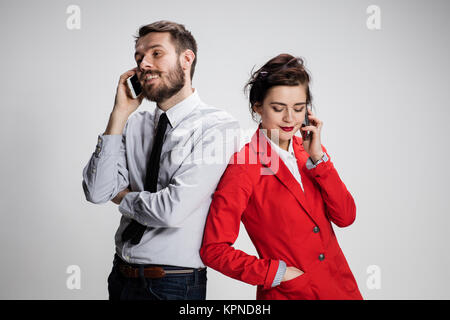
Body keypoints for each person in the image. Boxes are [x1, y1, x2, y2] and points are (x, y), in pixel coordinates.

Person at [82, 20, 240, 300]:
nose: (143, 64)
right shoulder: (133, 124)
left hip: (173, 284)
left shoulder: (217, 127)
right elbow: (96, 191)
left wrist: (122, 197)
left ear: (186, 59)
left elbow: (171, 210)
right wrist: (118, 115)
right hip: (121, 277)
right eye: (139, 57)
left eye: (156, 53)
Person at [200, 53, 363, 300]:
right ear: (257, 107)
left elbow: (346, 216)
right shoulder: (245, 165)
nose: (290, 119)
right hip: (292, 294)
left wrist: (319, 159)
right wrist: (276, 273)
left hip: (341, 290)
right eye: (278, 108)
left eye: (298, 108)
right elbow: (213, 249)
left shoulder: (310, 152)